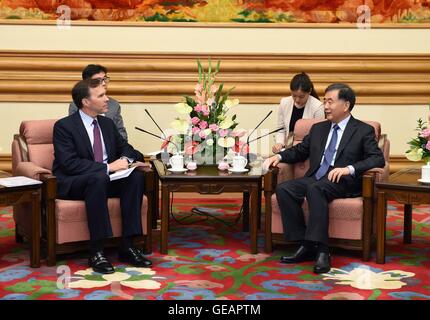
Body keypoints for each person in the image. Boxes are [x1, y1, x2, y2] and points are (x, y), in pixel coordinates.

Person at [264, 83, 385, 274]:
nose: (325, 106)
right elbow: (300, 151)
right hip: (317, 177)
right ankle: (305, 244)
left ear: (346, 105)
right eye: (324, 101)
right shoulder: (319, 128)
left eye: (330, 101)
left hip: (343, 182)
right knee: (284, 189)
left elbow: (377, 158)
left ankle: (322, 249)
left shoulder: (362, 130)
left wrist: (349, 169)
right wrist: (279, 156)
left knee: (315, 189)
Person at [53, 79, 151, 274]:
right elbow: (69, 164)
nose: (107, 99)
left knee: (135, 178)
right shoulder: (64, 127)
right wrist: (108, 167)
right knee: (98, 178)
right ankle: (97, 250)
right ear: (85, 102)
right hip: (76, 182)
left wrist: (125, 160)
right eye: (101, 96)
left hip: (106, 180)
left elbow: (128, 150)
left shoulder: (106, 124)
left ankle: (127, 245)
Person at [69, 64, 128, 141]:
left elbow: (121, 133)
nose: (104, 83)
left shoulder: (113, 105)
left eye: (104, 79)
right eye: (98, 80)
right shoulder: (76, 105)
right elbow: (74, 134)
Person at [273, 72, 324, 153]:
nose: (297, 100)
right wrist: (279, 143)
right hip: (287, 149)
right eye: (294, 95)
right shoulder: (284, 102)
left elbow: (318, 136)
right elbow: (280, 129)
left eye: (301, 97)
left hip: (307, 151)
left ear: (309, 91)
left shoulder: (318, 107)